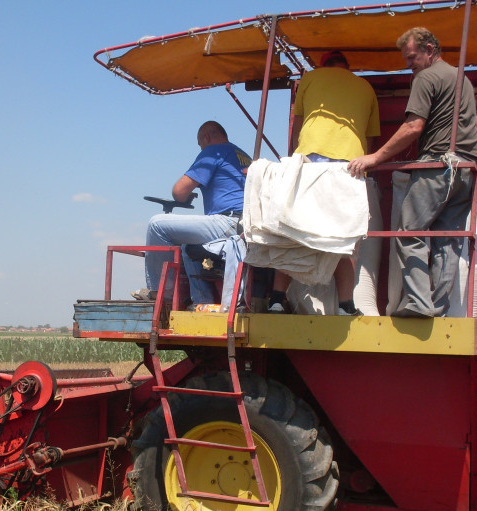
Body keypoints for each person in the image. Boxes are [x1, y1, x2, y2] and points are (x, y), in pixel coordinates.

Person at [348, 28, 477, 318]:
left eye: (412, 57)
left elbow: (414, 127)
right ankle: (437, 305)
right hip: (466, 171)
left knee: (408, 232)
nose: (409, 64)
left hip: (438, 167)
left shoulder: (425, 77)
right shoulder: (461, 78)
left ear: (429, 50)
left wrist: (374, 157)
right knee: (447, 240)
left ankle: (418, 302)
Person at [268, 50, 380, 316]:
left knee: (293, 235)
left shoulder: (310, 78)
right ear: (347, 67)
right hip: (349, 167)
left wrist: (300, 152)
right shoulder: (365, 87)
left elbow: (297, 124)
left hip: (310, 162)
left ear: (324, 65)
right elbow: (371, 140)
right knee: (343, 239)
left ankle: (275, 300)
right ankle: (345, 306)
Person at [138, 121, 252, 305]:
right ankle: (201, 302)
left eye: (200, 144)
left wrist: (184, 197)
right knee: (187, 246)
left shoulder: (213, 151)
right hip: (247, 224)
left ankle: (161, 292)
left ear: (206, 137)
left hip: (229, 222)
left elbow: (178, 192)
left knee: (156, 224)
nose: (201, 148)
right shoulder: (243, 155)